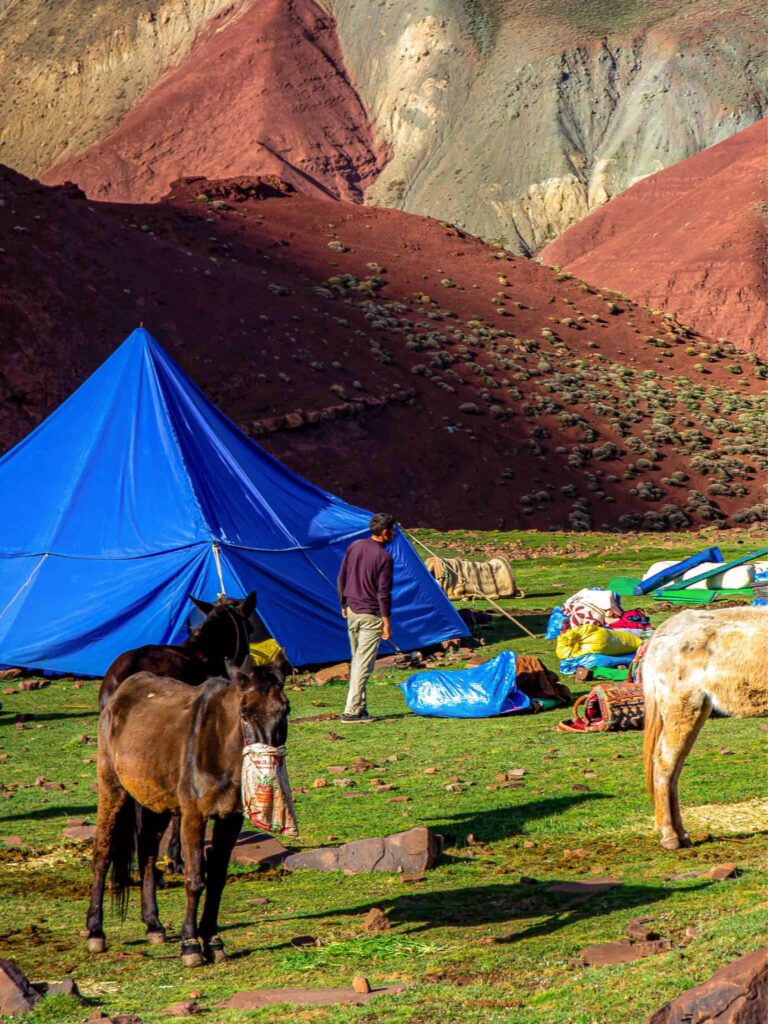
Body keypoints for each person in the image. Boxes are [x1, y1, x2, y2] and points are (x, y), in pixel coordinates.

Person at [337, 512, 396, 723]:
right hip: (371, 614)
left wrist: (343, 603)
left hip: (352, 610)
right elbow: (383, 593)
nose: (394, 534)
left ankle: (360, 707)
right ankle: (351, 712)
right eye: (393, 531)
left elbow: (342, 576)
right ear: (385, 532)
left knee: (357, 661)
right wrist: (386, 622)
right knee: (363, 664)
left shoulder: (355, 546)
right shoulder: (385, 558)